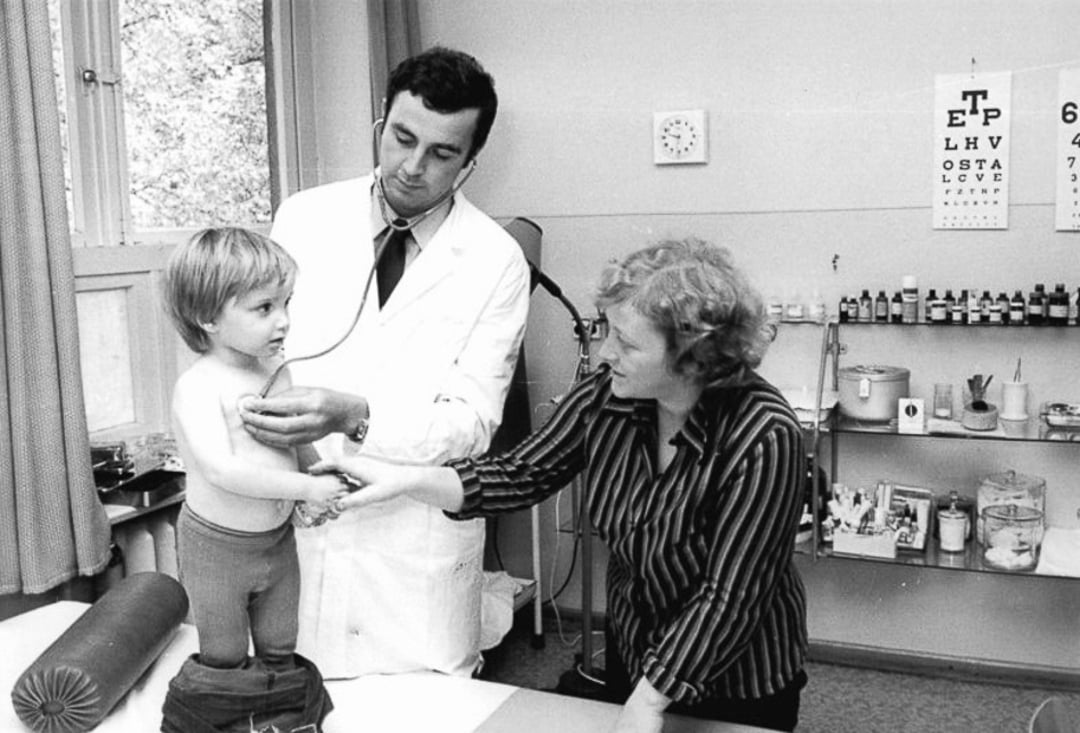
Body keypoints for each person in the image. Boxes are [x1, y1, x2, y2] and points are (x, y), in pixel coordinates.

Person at [312, 239, 810, 732]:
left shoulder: (764, 435)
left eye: (627, 343)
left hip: (737, 680)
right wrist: (403, 479)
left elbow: (731, 597)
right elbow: (520, 474)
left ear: (693, 359)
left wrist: (650, 701)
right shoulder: (607, 399)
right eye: (605, 331)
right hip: (637, 655)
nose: (605, 353)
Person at [237, 46, 530, 678]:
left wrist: (356, 416)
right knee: (293, 696)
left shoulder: (495, 259)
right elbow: (255, 354)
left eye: (443, 154)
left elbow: (473, 423)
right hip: (303, 518)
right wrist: (299, 455)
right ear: (381, 126)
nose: (412, 167)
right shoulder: (303, 216)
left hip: (413, 541)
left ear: (472, 162)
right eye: (401, 138)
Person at [161, 227, 347, 671]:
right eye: (264, 307)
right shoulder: (199, 386)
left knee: (281, 643)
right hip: (216, 548)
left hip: (277, 542)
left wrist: (318, 471)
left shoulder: (275, 369)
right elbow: (224, 472)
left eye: (285, 304)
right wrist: (304, 486)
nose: (283, 320)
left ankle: (279, 715)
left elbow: (292, 435)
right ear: (208, 317)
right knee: (223, 653)